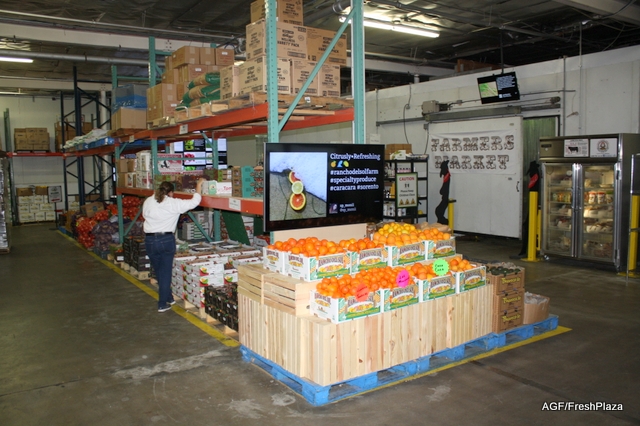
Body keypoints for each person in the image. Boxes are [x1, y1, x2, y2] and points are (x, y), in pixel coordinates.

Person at [143, 178, 206, 312]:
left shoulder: (148, 201)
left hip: (149, 240)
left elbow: (144, 215)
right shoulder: (173, 203)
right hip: (165, 240)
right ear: (171, 193)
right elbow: (195, 202)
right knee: (165, 273)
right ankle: (162, 304)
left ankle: (169, 297)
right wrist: (199, 185)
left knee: (159, 271)